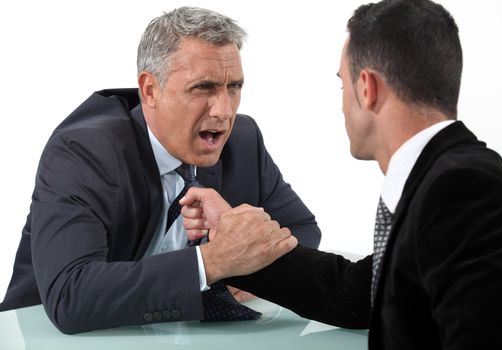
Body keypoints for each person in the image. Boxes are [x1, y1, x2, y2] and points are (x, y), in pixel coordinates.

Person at [180, 0, 502, 348]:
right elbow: (353, 294)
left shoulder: (465, 192)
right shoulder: (438, 181)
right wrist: (239, 244)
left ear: (367, 88)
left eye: (343, 85)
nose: (343, 104)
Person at [0, 7, 318, 334]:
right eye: (204, 88)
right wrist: (214, 261)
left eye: (233, 87)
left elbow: (302, 227)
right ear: (150, 90)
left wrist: (253, 269)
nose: (224, 111)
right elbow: (71, 295)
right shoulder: (82, 153)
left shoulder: (243, 140)